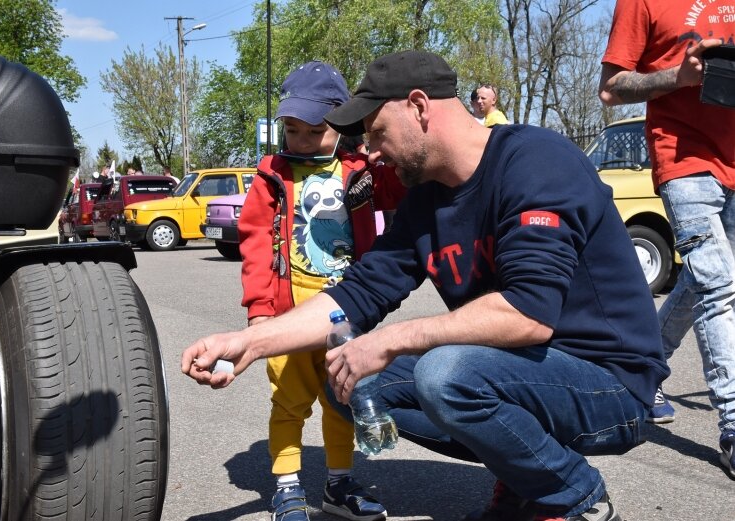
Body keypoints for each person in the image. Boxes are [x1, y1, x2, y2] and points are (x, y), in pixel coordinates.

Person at [183, 50, 669, 521]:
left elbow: (529, 313)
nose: (370, 152)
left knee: (446, 372)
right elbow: (356, 295)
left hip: (610, 386)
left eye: (376, 133)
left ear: (418, 107)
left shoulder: (535, 161)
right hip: (521, 375)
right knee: (349, 381)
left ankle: (574, 496)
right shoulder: (426, 200)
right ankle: (524, 476)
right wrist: (248, 342)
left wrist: (390, 339)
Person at [235, 61, 405, 521]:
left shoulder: (357, 170)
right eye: (292, 130)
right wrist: (259, 312)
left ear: (341, 124)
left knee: (341, 400)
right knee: (289, 401)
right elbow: (253, 243)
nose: (302, 141)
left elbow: (400, 191)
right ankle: (287, 487)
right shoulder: (273, 174)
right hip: (288, 316)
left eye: (314, 131)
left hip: (345, 316)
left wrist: (379, 157)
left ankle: (337, 485)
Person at [599, 1, 735, 478]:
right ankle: (734, 426)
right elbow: (612, 88)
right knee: (719, 287)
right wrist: (681, 75)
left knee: (702, 282)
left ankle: (642, 362)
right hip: (685, 159)